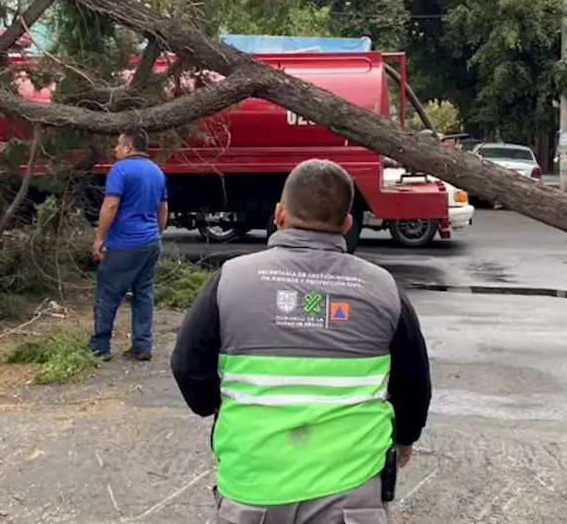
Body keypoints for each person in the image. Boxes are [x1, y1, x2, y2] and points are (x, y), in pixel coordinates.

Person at [171, 159, 432, 524]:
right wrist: (405, 437)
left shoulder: (230, 280)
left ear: (278, 214)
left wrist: (220, 407)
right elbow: (414, 380)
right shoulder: (385, 289)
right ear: (346, 224)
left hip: (252, 485)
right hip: (351, 491)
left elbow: (187, 364)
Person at [89, 127, 168, 361]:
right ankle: (142, 346)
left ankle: (100, 346)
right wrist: (157, 234)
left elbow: (111, 205)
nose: (115, 149)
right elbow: (163, 209)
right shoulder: (156, 171)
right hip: (151, 242)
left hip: (125, 243)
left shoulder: (120, 169)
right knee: (143, 293)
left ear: (128, 147)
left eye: (118, 144)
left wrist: (99, 237)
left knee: (107, 294)